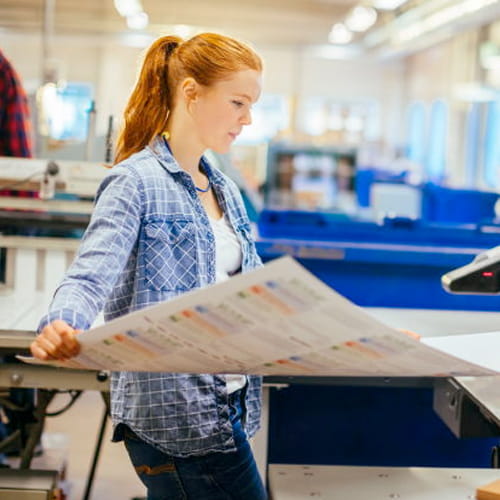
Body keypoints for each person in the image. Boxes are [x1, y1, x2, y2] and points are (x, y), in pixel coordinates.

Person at [30, 33, 267, 499]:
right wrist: (60, 323)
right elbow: (89, 274)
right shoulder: (135, 181)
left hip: (228, 402)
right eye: (238, 102)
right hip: (177, 414)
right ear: (191, 92)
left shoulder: (225, 191)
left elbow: (249, 295)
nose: (248, 118)